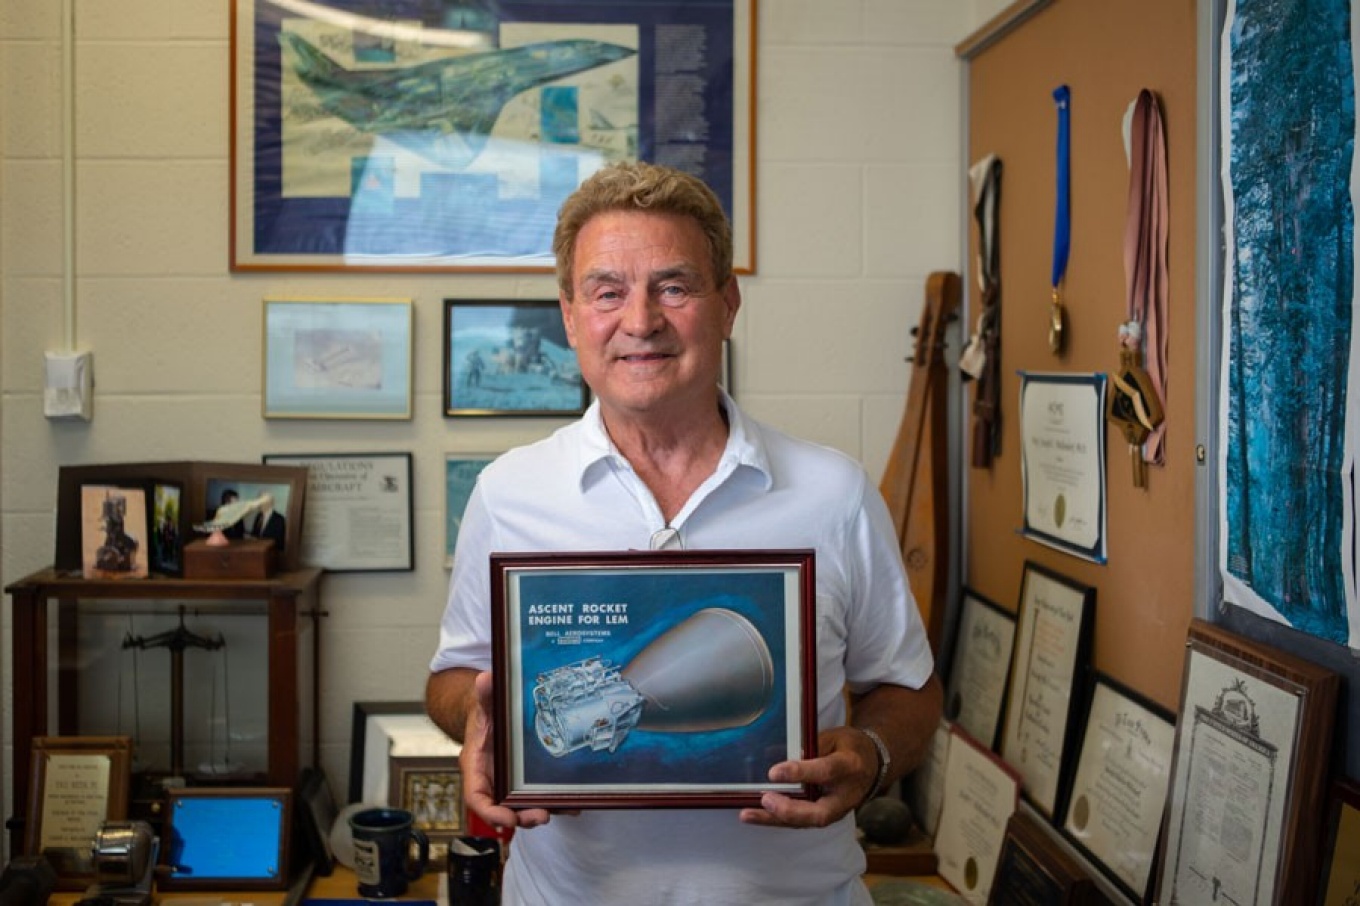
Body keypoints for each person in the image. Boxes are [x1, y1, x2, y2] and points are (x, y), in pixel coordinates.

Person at [426, 161, 942, 905]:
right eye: (607, 292)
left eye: (675, 286)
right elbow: (452, 677)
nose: (641, 322)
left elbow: (911, 691)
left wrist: (873, 752)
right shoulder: (510, 494)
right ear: (570, 316)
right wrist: (478, 719)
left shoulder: (834, 493)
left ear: (727, 305)